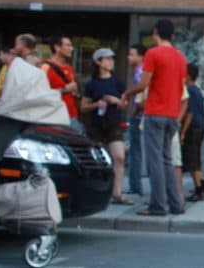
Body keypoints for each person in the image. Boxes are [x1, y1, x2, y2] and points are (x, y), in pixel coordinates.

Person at [123, 18, 187, 216]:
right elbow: (181, 86)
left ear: (155, 32)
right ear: (173, 36)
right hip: (172, 114)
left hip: (155, 112)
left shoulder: (153, 53)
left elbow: (143, 84)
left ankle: (157, 205)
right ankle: (176, 204)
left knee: (154, 161)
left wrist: (128, 92)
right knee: (167, 160)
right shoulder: (180, 57)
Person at [80, 47, 133, 206]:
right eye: (107, 59)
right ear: (98, 62)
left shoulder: (118, 82)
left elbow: (126, 104)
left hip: (114, 123)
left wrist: (115, 101)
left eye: (112, 59)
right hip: (95, 124)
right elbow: (83, 107)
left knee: (119, 157)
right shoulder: (91, 84)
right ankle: (97, 191)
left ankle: (117, 193)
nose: (110, 62)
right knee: (98, 159)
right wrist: (97, 104)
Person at [181, 63, 204, 202]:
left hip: (192, 128)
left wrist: (182, 132)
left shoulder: (189, 90)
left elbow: (190, 113)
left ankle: (199, 190)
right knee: (196, 158)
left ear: (187, 76)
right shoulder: (197, 90)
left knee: (191, 159)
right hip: (200, 127)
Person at [40, 35, 82, 132]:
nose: (71, 48)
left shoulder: (70, 68)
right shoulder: (45, 68)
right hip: (54, 118)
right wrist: (64, 89)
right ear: (57, 47)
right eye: (68, 45)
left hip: (72, 117)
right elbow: (40, 94)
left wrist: (75, 92)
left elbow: (73, 93)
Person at [125, 43, 146, 196]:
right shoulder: (140, 72)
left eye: (132, 54)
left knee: (135, 152)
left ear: (141, 56)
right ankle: (135, 185)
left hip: (138, 117)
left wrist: (133, 113)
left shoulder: (140, 73)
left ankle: (135, 186)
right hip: (141, 116)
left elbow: (141, 99)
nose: (129, 57)